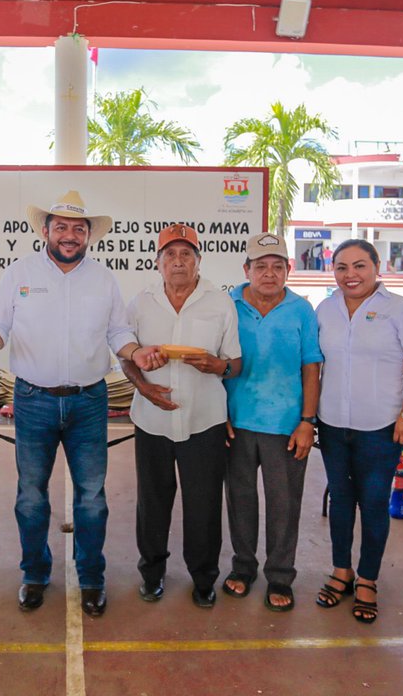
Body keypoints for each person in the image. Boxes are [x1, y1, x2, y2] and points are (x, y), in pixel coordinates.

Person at [0, 190, 157, 618]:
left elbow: (117, 332)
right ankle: (34, 575)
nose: (70, 235)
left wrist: (135, 353)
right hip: (33, 399)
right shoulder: (19, 272)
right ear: (46, 231)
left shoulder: (103, 278)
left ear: (89, 235)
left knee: (92, 498)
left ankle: (91, 578)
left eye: (78, 228)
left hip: (88, 401)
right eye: (62, 227)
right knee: (31, 497)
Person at [120, 224, 242, 608]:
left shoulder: (219, 303)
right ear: (157, 263)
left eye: (185, 254)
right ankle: (152, 574)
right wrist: (142, 386)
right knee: (152, 503)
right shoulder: (141, 302)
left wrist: (215, 364)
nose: (178, 262)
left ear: (198, 261)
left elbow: (235, 364)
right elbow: (127, 358)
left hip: (203, 420)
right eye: (170, 255)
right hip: (151, 420)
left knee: (203, 504)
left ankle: (204, 579)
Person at [313, 239, 403, 623]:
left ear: (377, 267)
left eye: (360, 265)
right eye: (342, 267)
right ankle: (340, 571)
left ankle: (367, 578)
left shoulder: (399, 309)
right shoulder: (324, 309)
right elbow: (314, 365)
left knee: (374, 502)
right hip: (332, 423)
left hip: (381, 426)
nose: (351, 275)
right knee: (342, 500)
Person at [222, 232, 323, 611]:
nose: (269, 274)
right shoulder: (228, 305)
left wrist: (307, 422)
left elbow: (311, 368)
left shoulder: (301, 310)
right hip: (238, 424)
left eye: (277, 267)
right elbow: (216, 364)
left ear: (288, 270)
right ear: (246, 270)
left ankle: (280, 575)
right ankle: (243, 568)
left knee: (285, 505)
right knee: (240, 500)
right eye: (260, 267)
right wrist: (220, 417)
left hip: (286, 426)